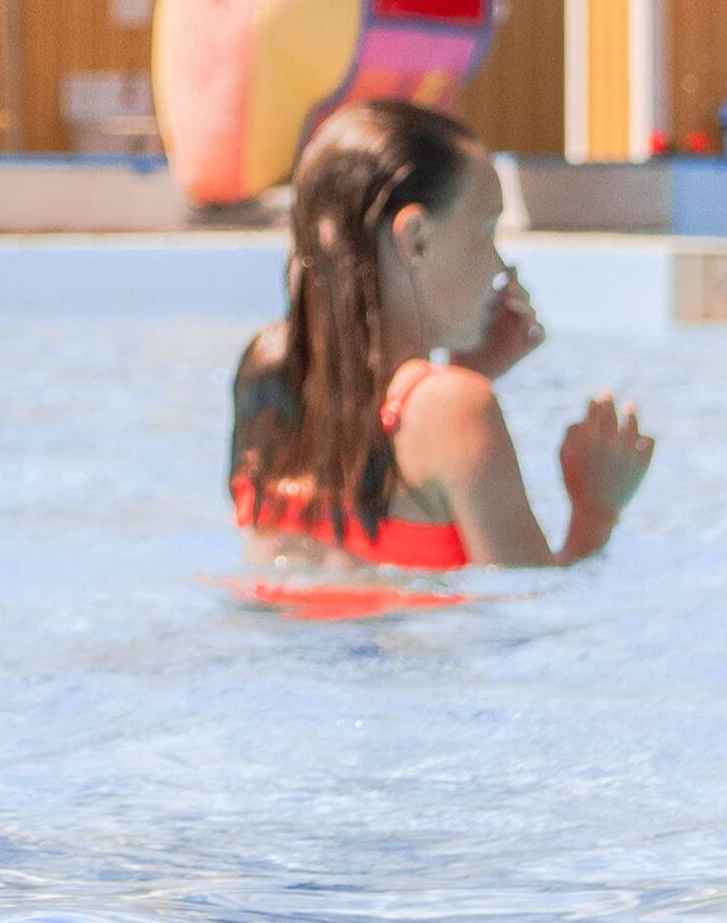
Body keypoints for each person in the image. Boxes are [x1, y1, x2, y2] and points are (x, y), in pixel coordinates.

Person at [229, 98, 655, 572]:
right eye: (487, 230)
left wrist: (467, 371)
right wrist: (595, 513)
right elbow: (532, 617)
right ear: (416, 240)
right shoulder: (458, 408)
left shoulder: (264, 368)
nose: (500, 266)